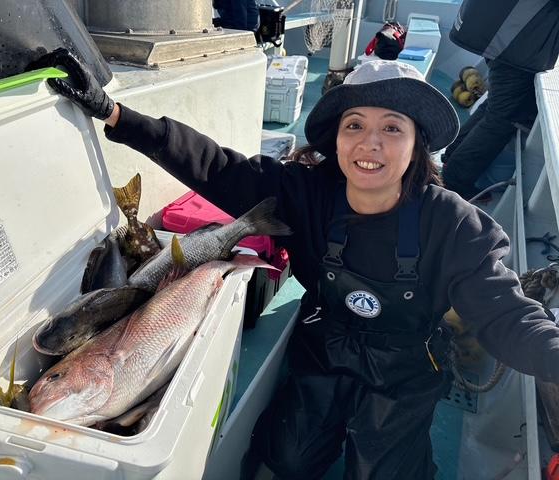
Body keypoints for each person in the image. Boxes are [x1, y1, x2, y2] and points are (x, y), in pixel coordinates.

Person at [34, 49, 559, 479]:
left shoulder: (456, 225)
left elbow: (507, 315)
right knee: (285, 460)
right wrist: (115, 113)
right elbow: (215, 166)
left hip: (406, 366)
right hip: (323, 346)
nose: (370, 143)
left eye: (392, 128)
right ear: (337, 139)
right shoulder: (306, 192)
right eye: (355, 125)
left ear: (418, 142)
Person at [441, 0, 559, 200]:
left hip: (508, 41)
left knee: (493, 108)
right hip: (519, 46)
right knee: (501, 119)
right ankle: (454, 180)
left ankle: (452, 155)